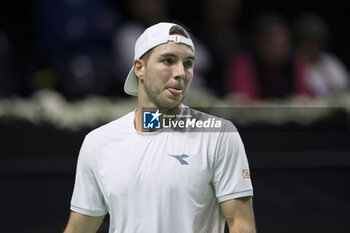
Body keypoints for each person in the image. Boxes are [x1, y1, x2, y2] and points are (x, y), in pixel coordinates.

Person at [63, 22, 255, 233]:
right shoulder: (98, 142)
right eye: (168, 61)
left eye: (188, 63)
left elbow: (241, 224)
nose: (181, 72)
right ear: (139, 68)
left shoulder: (219, 135)